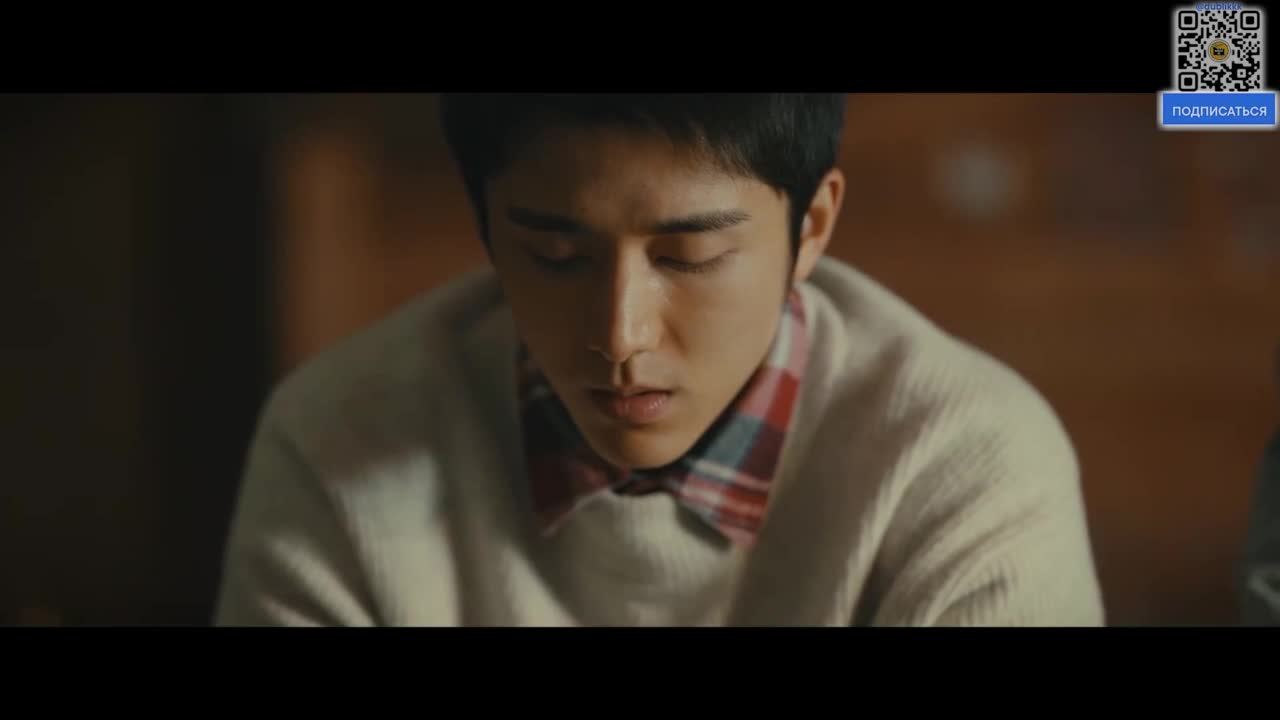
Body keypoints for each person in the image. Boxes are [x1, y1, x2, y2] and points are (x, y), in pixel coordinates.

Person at [214, 94, 1106, 626]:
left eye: (690, 257)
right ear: (485, 226)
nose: (621, 336)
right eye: (554, 255)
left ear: (811, 228)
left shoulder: (965, 467)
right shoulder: (337, 443)